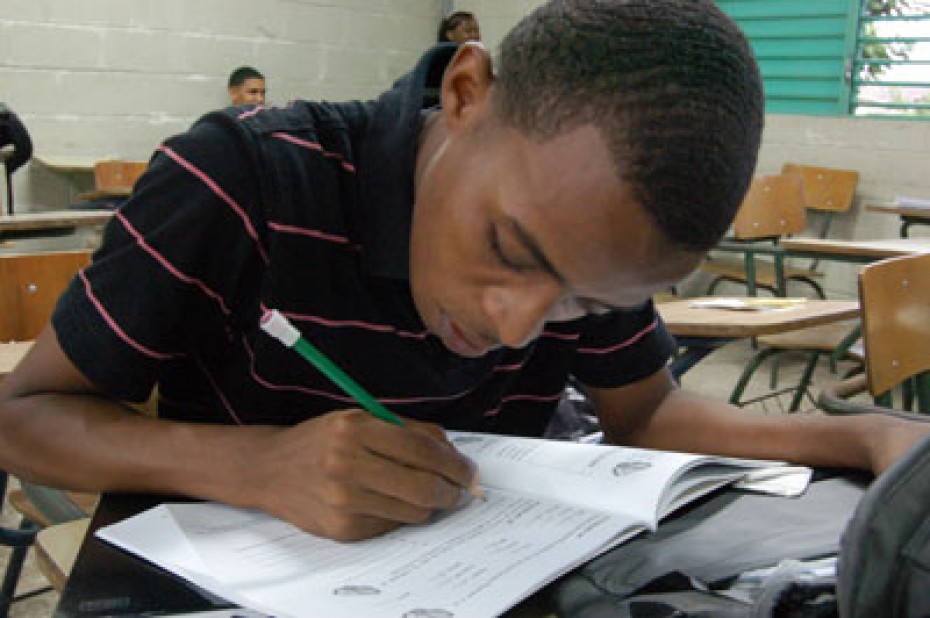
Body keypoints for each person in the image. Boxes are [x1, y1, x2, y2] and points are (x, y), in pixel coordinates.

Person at [0, 0, 927, 545]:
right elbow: (23, 420)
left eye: (581, 301)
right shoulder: (242, 178)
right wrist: (255, 463)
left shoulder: (583, 223)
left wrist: (870, 440)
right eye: (510, 253)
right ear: (465, 93)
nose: (522, 326)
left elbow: (644, 413)